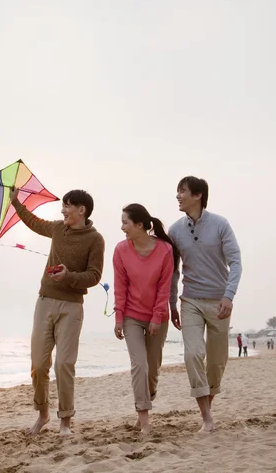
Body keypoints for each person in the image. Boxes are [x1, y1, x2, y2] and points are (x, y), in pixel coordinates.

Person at [10, 188, 104, 436]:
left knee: (64, 364)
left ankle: (65, 422)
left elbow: (94, 276)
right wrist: (15, 202)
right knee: (39, 365)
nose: (62, 209)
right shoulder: (56, 229)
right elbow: (32, 222)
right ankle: (43, 414)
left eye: (67, 205)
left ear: (81, 210)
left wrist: (69, 276)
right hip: (44, 302)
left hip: (72, 306)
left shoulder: (96, 239)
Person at [168, 176, 242, 432]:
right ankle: (207, 418)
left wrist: (229, 295)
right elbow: (173, 271)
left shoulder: (220, 224)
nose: (178, 196)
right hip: (190, 300)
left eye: (182, 191)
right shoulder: (175, 230)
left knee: (217, 361)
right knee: (193, 354)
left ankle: (207, 405)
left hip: (220, 301)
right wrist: (172, 303)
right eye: (177, 191)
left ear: (198, 195)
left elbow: (236, 261)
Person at [113, 204, 177, 434]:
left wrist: (157, 316)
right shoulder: (120, 250)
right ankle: (145, 420)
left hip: (157, 317)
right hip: (131, 316)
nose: (122, 228)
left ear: (139, 225)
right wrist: (119, 318)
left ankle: (146, 400)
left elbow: (164, 287)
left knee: (152, 369)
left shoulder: (165, 250)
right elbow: (120, 287)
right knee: (139, 365)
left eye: (125, 223)